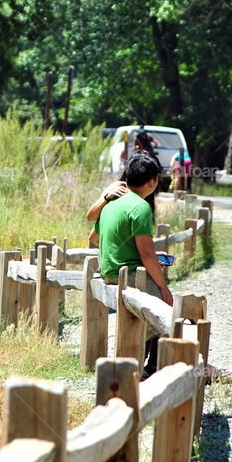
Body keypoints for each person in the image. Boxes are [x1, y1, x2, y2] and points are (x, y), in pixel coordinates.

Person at [87, 151, 173, 375]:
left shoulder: (112, 203)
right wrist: (163, 286)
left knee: (154, 308)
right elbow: (146, 253)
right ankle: (154, 368)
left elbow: (93, 239)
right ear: (152, 181)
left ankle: (142, 364)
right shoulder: (141, 207)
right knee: (167, 308)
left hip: (109, 272)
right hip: (129, 276)